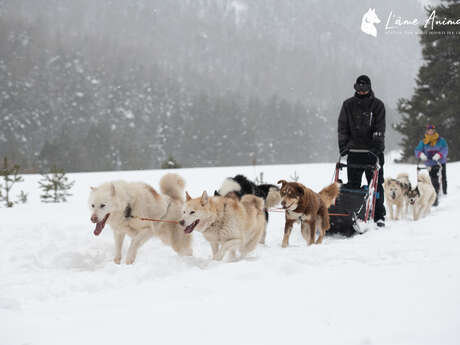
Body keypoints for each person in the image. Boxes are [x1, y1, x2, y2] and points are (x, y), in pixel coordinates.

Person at [338, 75, 386, 227]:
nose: (362, 91)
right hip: (354, 152)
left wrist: (377, 146)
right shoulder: (348, 105)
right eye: (359, 87)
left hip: (373, 153)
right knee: (353, 185)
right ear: (355, 87)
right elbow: (343, 127)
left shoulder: (377, 105)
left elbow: (380, 127)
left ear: (369, 87)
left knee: (376, 186)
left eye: (365, 87)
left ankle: (379, 215)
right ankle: (353, 213)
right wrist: (343, 146)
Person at [414, 124, 448, 206]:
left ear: (434, 130)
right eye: (429, 130)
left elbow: (445, 149)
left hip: (439, 162)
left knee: (442, 177)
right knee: (432, 180)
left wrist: (439, 155)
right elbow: (417, 150)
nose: (430, 131)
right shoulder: (424, 141)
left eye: (432, 130)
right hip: (429, 163)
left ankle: (443, 192)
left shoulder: (441, 140)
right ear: (427, 131)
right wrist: (421, 154)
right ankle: (432, 196)